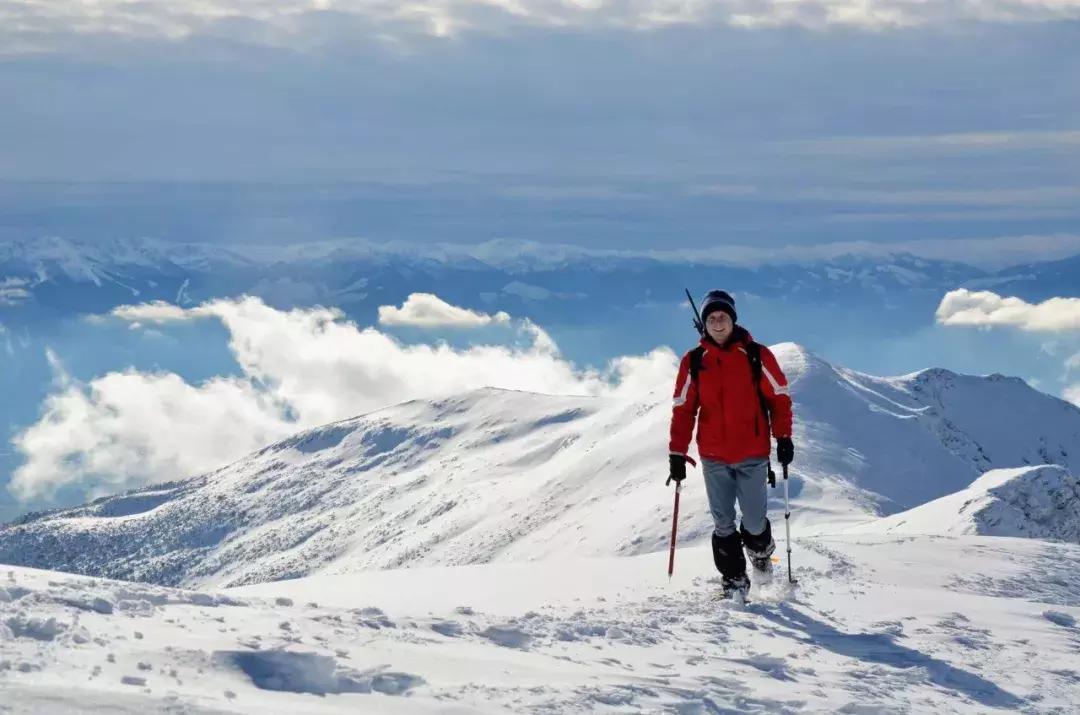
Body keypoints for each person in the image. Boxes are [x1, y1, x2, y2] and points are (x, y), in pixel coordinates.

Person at [667, 290, 794, 600]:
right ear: (704, 324)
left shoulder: (756, 355)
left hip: (752, 453)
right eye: (711, 318)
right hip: (713, 456)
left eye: (723, 316)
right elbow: (683, 409)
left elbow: (779, 398)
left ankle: (761, 554)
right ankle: (734, 581)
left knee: (752, 523)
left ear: (733, 319)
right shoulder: (695, 361)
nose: (718, 322)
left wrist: (784, 437)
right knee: (723, 523)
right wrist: (677, 452)